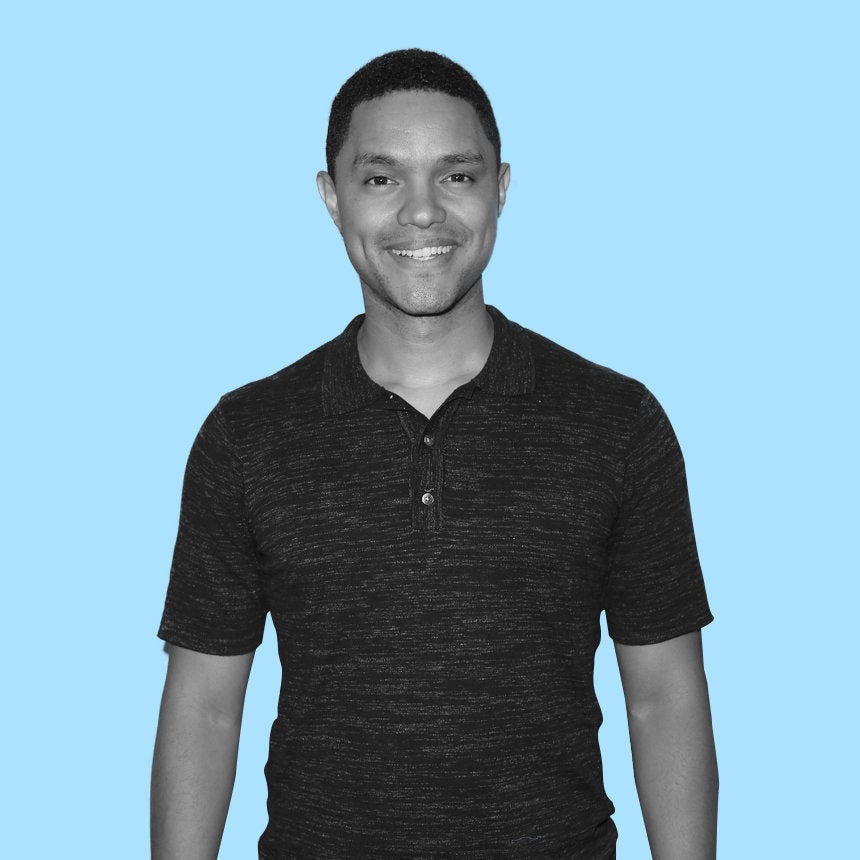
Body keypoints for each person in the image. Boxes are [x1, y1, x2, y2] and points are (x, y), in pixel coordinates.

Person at [151, 48, 717, 859]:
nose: (422, 212)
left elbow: (663, 697)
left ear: (501, 188)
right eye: (382, 178)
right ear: (332, 197)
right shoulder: (246, 437)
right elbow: (205, 708)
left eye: (456, 175)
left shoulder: (617, 424)